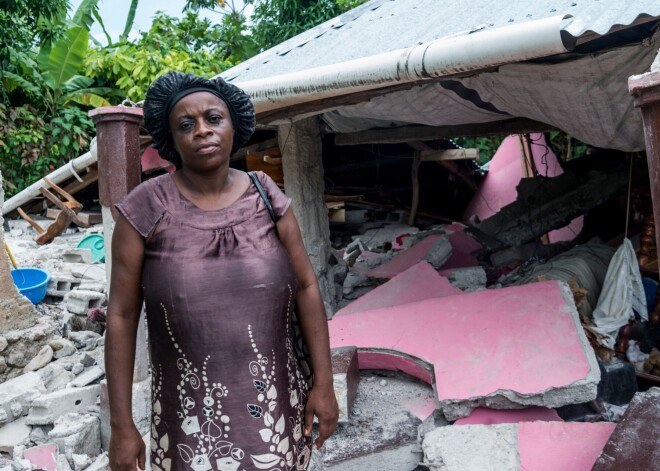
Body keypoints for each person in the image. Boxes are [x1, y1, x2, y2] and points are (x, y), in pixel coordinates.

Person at [105, 71, 339, 471]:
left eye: (213, 118)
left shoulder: (267, 194)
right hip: (189, 426)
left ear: (234, 126)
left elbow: (305, 285)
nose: (202, 131)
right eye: (186, 125)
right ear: (171, 140)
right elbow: (122, 315)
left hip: (275, 417)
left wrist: (325, 382)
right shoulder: (144, 209)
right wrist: (122, 426)